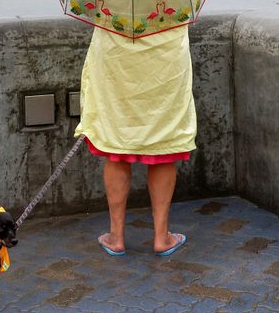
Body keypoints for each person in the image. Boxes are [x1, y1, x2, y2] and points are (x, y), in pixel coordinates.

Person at [75, 22, 197, 257]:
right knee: (163, 144)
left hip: (115, 54)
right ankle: (162, 237)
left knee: (116, 144)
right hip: (165, 54)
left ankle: (115, 236)